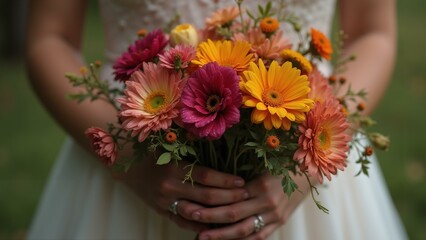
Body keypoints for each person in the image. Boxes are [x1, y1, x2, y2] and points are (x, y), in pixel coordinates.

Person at [26, 0, 407, 239]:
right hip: (125, 152)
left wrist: (303, 167)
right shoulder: (130, 158)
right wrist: (131, 159)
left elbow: (373, 32)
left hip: (305, 152)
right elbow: (49, 36)